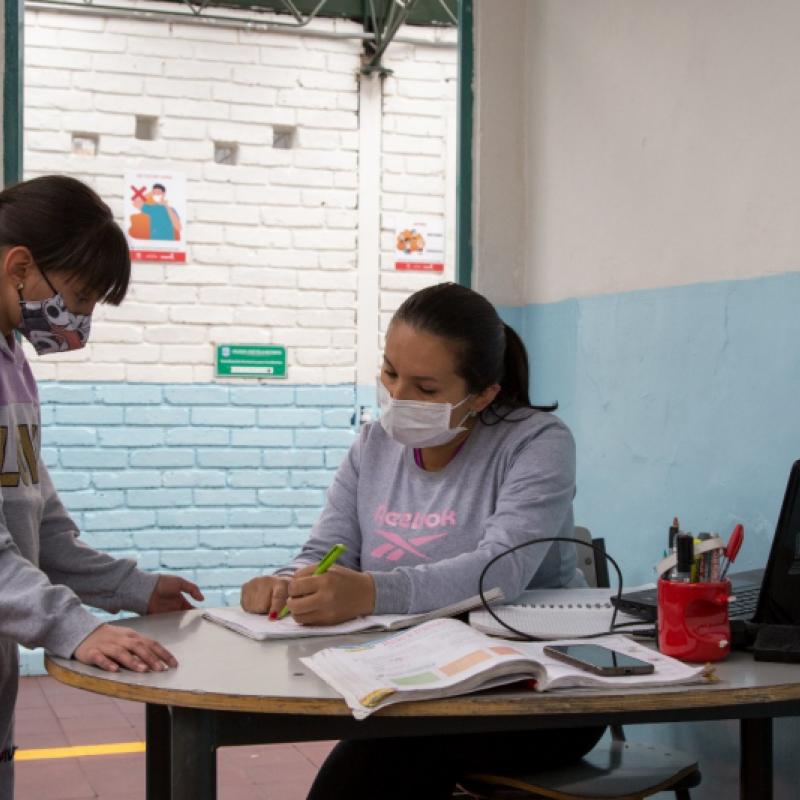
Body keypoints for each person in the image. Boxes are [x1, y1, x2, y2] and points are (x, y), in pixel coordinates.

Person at [241, 282, 604, 799]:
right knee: (392, 744)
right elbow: (323, 552)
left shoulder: (537, 442)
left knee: (383, 757)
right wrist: (285, 584)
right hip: (412, 685)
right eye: (391, 373)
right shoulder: (373, 444)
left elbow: (500, 574)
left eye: (426, 389)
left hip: (535, 694)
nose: (398, 398)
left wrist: (371, 592)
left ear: (483, 394)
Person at [0, 175, 203, 799]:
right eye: (81, 296)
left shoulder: (13, 365)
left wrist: (128, 588)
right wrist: (74, 627)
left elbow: (38, 521)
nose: (81, 320)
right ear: (20, 268)